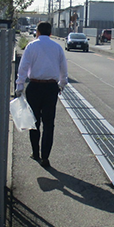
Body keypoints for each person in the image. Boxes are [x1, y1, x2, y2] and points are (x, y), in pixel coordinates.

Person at [15, 21, 68, 167]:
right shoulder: (57, 47)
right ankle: (46, 156)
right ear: (50, 33)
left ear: (37, 32)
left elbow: (23, 67)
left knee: (34, 122)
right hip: (51, 87)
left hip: (34, 86)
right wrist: (61, 85)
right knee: (49, 123)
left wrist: (19, 86)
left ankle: (35, 153)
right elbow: (64, 69)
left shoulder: (32, 46)